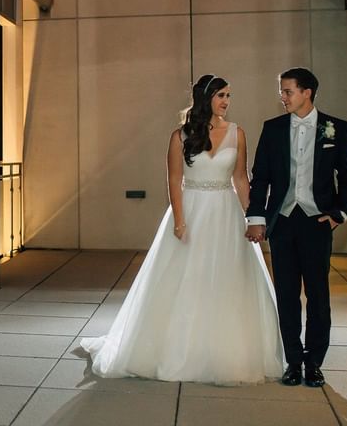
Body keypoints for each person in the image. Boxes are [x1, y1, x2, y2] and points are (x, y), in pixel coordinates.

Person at [81, 74, 284, 385]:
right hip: (191, 210)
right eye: (221, 96)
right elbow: (174, 180)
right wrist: (179, 219)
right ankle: (176, 349)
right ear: (206, 99)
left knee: (228, 279)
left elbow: (242, 179)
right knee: (187, 278)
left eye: (229, 95)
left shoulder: (238, 133)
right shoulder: (180, 136)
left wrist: (253, 217)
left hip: (226, 213)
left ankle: (223, 350)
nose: (227, 102)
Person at [245, 67, 347, 388]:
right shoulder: (273, 128)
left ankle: (315, 362)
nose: (282, 97)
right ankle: (293, 361)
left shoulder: (336, 128)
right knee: (287, 294)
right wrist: (257, 217)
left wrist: (339, 213)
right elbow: (261, 176)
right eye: (281, 91)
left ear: (307, 92)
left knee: (318, 295)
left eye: (287, 91)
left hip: (317, 222)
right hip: (282, 222)